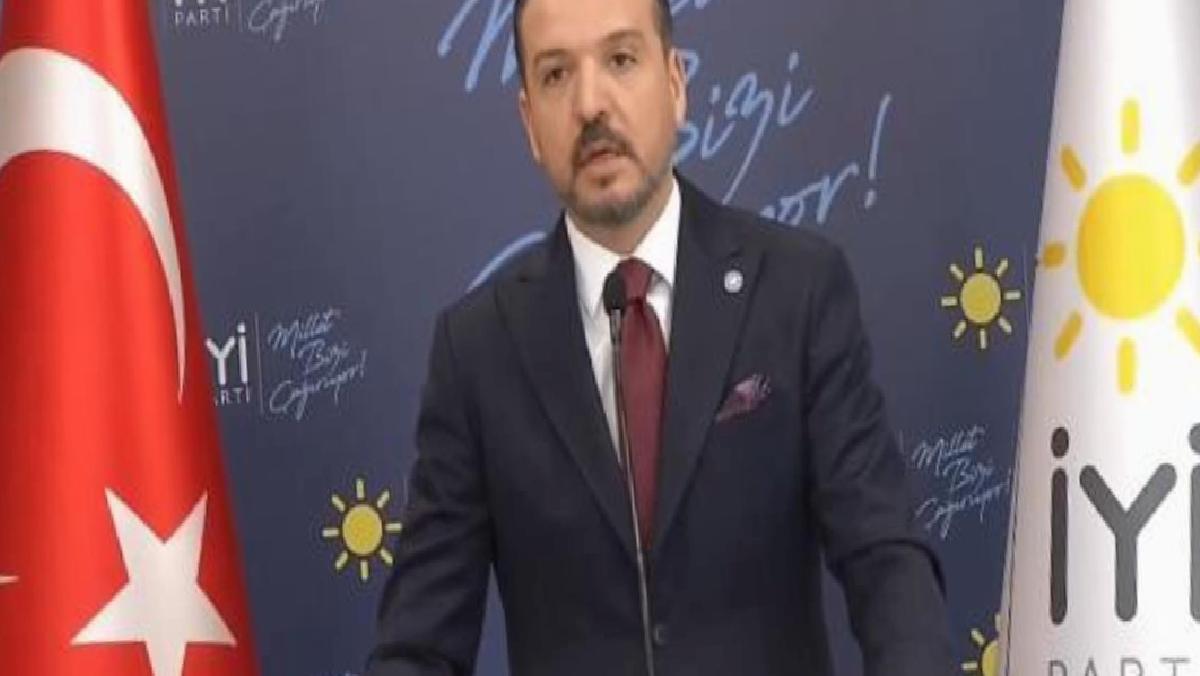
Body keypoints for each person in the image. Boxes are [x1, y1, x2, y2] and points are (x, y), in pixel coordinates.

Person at [366, 0, 955, 673]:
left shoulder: (797, 290)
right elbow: (419, 643)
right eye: (556, 75)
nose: (591, 104)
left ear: (675, 85)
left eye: (620, 59)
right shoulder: (477, 350)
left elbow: (886, 559)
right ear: (529, 123)